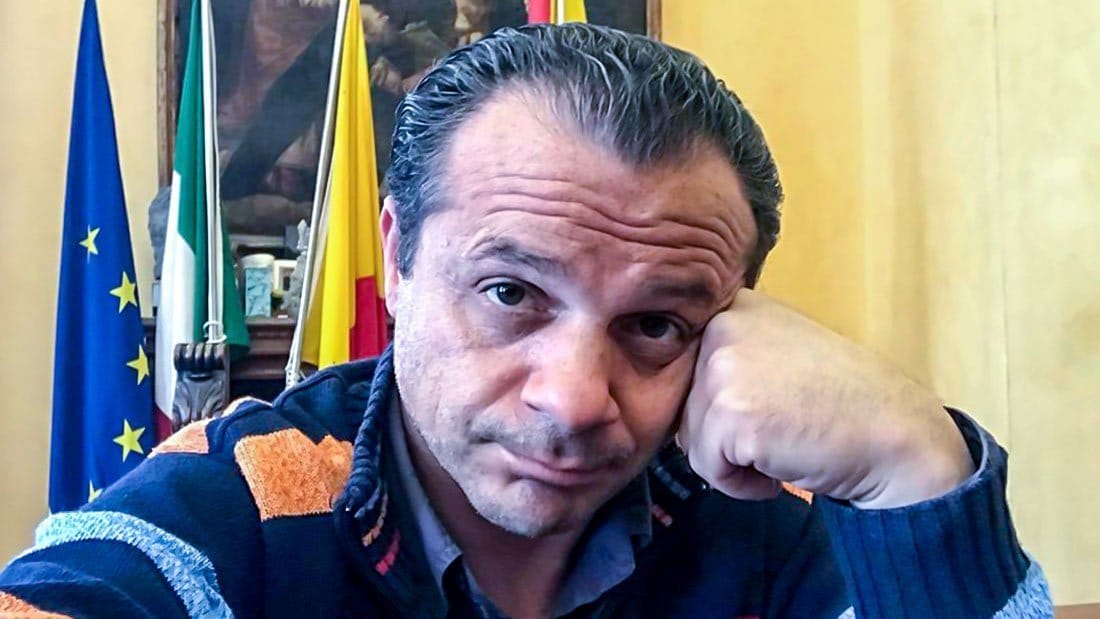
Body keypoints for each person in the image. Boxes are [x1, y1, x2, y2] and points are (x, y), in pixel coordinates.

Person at [0, 24, 1051, 619]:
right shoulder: (248, 494)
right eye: (510, 293)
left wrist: (916, 471)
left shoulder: (769, 526)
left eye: (655, 326)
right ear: (399, 258)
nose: (574, 400)